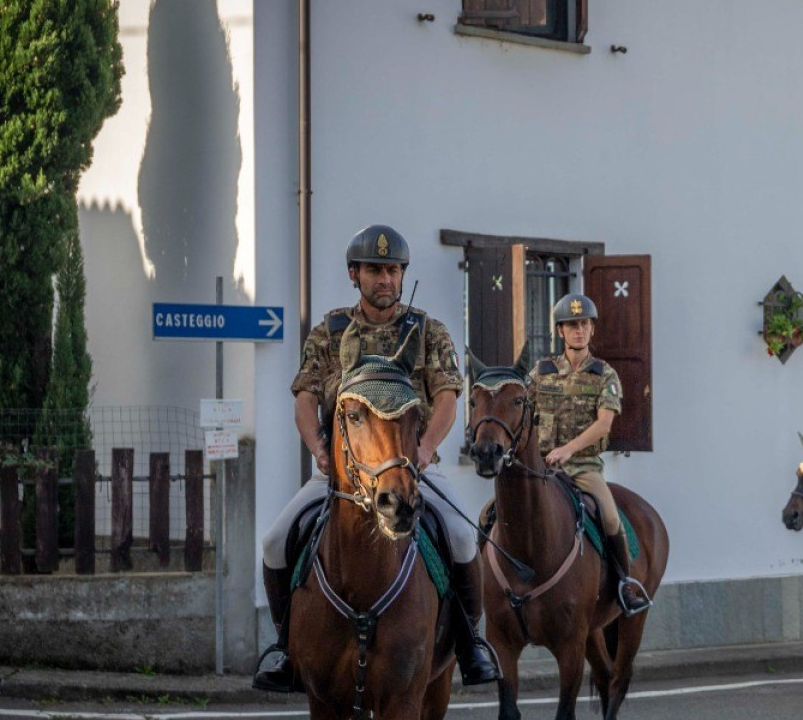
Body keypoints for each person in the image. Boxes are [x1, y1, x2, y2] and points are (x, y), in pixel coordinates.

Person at [253, 224, 500, 693]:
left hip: (414, 467)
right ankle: (287, 647)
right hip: (343, 473)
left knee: (464, 537)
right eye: (374, 270)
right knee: (274, 541)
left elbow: (447, 397)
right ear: (354, 274)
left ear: (402, 275)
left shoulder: (429, 331)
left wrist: (425, 449)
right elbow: (305, 397)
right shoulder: (328, 332)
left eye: (392, 270)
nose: (384, 279)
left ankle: (469, 644)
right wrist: (317, 449)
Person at [516, 293, 651, 616]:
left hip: (582, 467)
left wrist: (568, 450)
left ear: (592, 329)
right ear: (560, 331)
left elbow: (604, 425)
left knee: (609, 517)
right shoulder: (540, 372)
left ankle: (624, 584)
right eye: (571, 325)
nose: (579, 330)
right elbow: (520, 413)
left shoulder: (604, 375)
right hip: (542, 468)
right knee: (490, 515)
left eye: (584, 324)